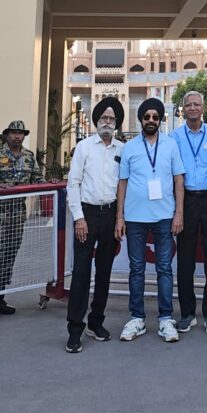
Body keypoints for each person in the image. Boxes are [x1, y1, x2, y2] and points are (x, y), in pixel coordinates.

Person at [116, 98, 184, 343]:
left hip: (164, 216)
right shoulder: (130, 148)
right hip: (135, 218)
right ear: (141, 120)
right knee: (136, 269)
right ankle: (137, 318)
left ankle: (166, 319)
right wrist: (119, 217)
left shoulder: (171, 145)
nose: (151, 121)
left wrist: (179, 213)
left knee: (164, 268)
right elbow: (122, 182)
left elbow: (178, 179)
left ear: (161, 119)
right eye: (147, 117)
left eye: (155, 117)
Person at [65, 96, 125, 354]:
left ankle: (96, 322)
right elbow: (73, 184)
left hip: (110, 215)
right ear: (96, 121)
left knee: (104, 272)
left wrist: (120, 218)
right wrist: (78, 218)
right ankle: (74, 330)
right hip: (87, 215)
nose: (107, 122)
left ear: (117, 123)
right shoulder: (84, 147)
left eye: (112, 119)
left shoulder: (122, 149)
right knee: (81, 273)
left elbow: (123, 185)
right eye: (104, 118)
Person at [170, 91, 207, 334]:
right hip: (186, 200)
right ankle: (187, 313)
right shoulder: (174, 137)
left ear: (203, 107)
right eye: (188, 105)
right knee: (185, 259)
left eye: (196, 104)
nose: (192, 108)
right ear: (183, 109)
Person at [0, 120, 43, 322]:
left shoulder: (28, 157)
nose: (17, 136)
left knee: (10, 255)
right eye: (14, 133)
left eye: (20, 133)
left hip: (17, 214)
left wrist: (50, 184)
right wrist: (0, 187)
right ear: (7, 135)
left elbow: (37, 178)